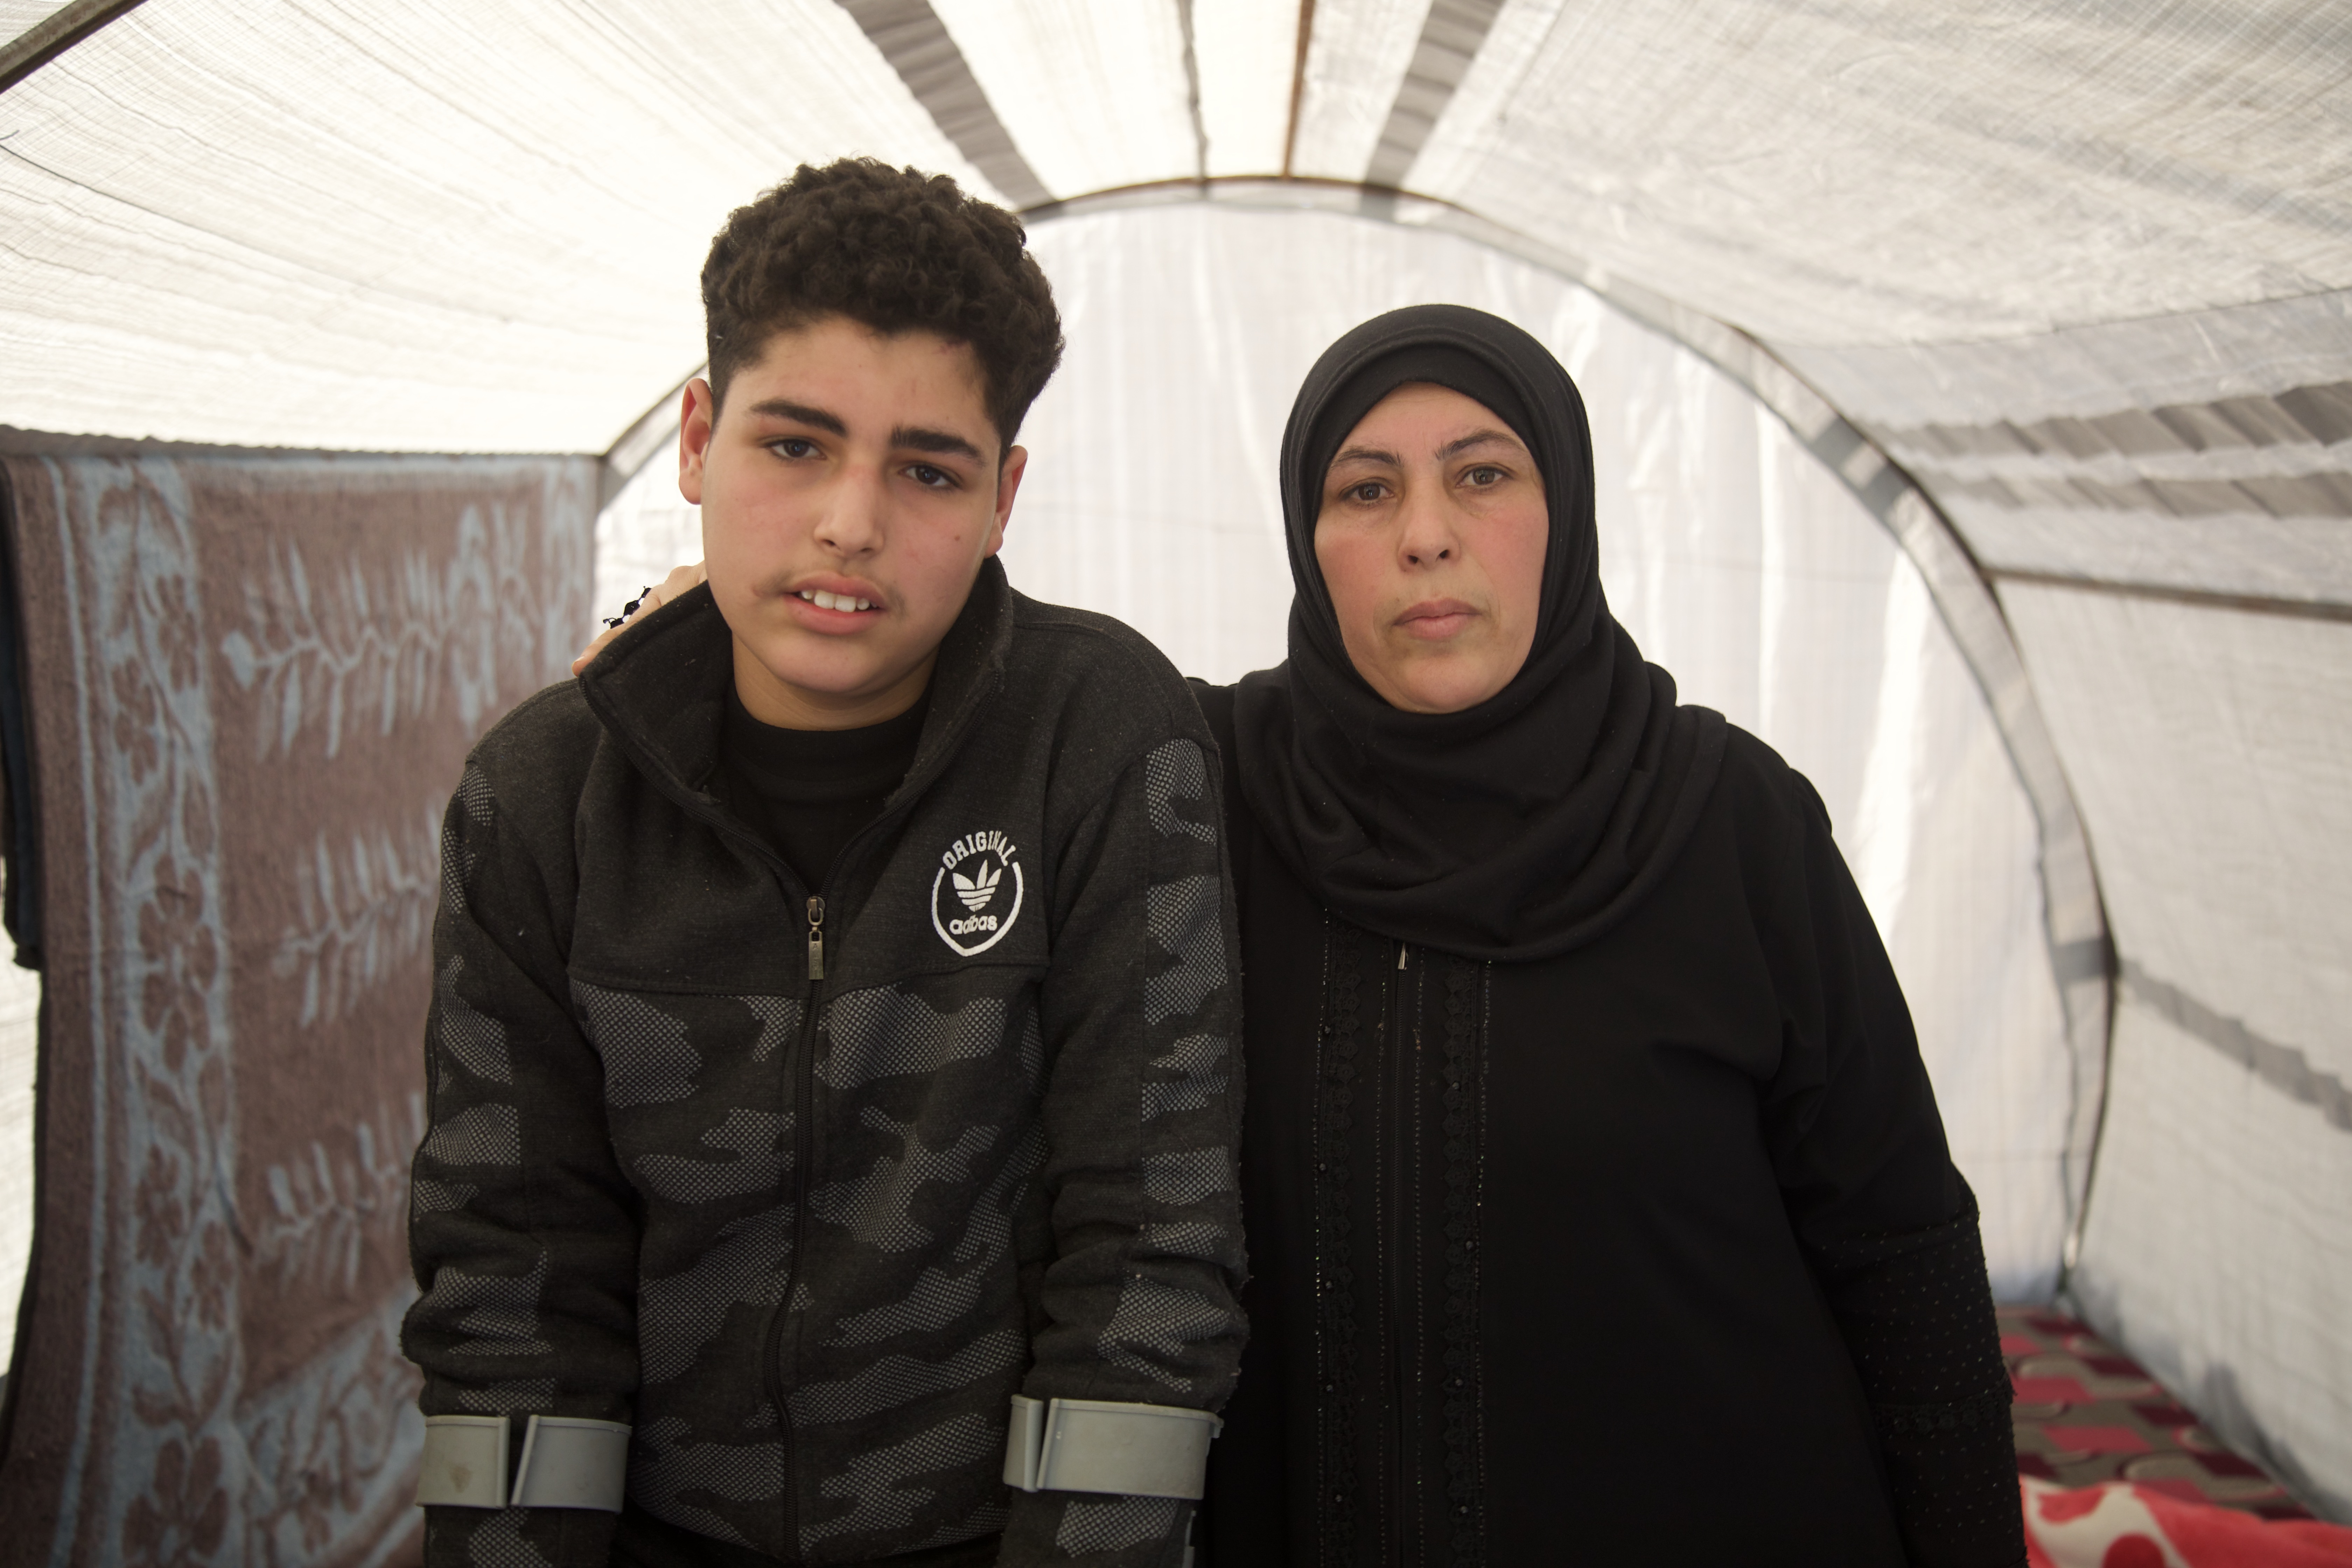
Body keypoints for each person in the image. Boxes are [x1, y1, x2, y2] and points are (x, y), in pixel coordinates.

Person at [590, 304, 2024, 1567]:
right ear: (1306, 534)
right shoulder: (1194, 788)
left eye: (1483, 473)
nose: (1426, 533)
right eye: (1365, 488)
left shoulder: (1730, 822)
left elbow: (1901, 1243)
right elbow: (945, 723)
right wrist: (720, 646)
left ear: (1567, 510)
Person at [407, 159, 1245, 1568]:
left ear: (1003, 495)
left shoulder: (1098, 735)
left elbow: (1151, 1249)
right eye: (795, 446)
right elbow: (513, 1289)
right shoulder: (541, 793)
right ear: (694, 436)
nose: (852, 521)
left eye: (927, 469)